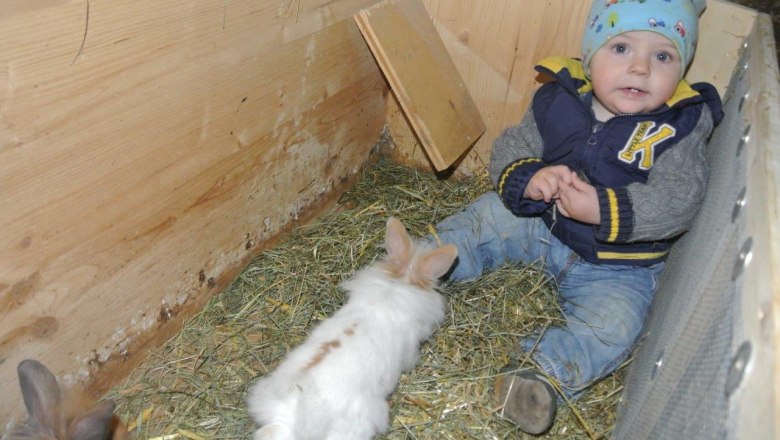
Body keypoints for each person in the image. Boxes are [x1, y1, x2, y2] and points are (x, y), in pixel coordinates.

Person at [432, 0, 723, 435]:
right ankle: (419, 266)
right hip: (540, 223)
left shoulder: (680, 124)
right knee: (484, 219)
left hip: (618, 266)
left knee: (615, 327)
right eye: (621, 48)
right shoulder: (559, 96)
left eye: (663, 56)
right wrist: (531, 178)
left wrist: (604, 209)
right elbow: (513, 145)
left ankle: (541, 375)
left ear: (681, 68)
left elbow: (680, 197)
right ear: (589, 57)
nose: (641, 69)